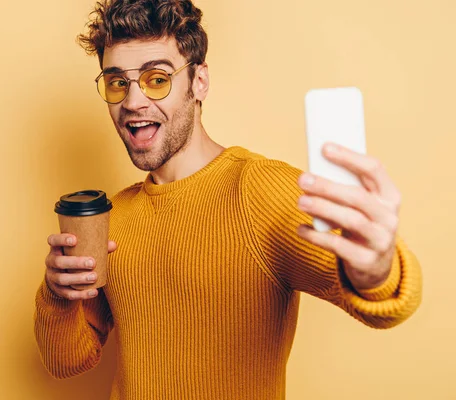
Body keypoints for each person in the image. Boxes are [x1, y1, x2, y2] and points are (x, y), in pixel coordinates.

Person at [33, 1, 422, 398]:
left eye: (157, 79)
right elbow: (66, 362)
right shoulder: (113, 218)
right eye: (118, 82)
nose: (133, 102)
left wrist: (375, 271)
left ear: (199, 81)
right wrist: (56, 293)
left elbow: (383, 299)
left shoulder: (259, 191)